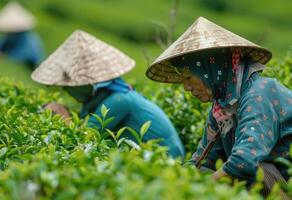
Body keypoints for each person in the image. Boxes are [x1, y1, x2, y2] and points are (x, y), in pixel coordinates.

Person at [146, 17, 291, 194]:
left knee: (254, 172)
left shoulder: (259, 94)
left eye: (189, 78)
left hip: (283, 183)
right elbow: (203, 159)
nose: (186, 87)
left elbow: (244, 161)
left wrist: (199, 189)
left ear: (210, 71)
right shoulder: (222, 108)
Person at [31, 30, 185, 158]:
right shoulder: (107, 98)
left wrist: (63, 116)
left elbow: (82, 140)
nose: (65, 89)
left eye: (70, 85)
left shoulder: (119, 100)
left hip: (167, 160)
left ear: (89, 83)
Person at [0, 1, 45, 69]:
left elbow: (20, 57)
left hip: (31, 67)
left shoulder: (28, 39)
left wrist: (2, 57)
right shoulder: (7, 37)